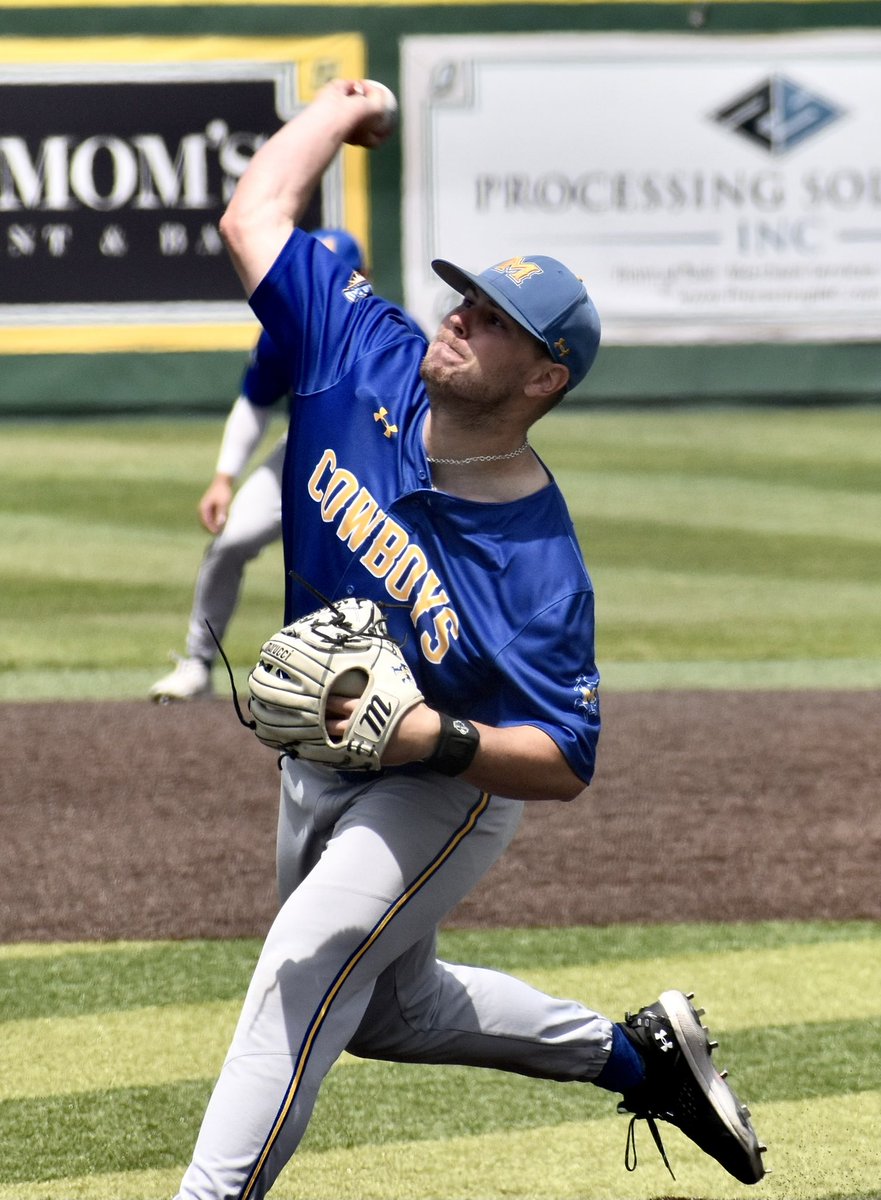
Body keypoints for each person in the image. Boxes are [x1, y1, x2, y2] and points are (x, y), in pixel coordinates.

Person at [173, 79, 766, 1199]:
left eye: (495, 320)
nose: (460, 316)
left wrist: (432, 742)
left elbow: (565, 759)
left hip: (444, 784)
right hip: (322, 756)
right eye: (465, 298)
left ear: (542, 379)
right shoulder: (360, 349)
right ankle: (643, 1060)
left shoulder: (538, 564)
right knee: (389, 1013)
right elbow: (254, 211)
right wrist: (342, 110)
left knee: (299, 973)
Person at [149, 229, 367, 702]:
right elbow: (255, 402)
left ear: (360, 279)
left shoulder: (391, 331)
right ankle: (198, 663)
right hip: (306, 451)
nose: (314, 287)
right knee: (230, 544)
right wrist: (224, 478)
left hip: (377, 459)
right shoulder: (282, 329)